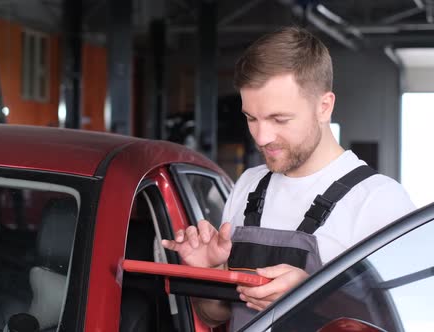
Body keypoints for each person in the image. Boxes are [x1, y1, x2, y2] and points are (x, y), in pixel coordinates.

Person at [161, 26, 415, 330]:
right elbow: (214, 315)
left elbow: (403, 320)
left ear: (324, 107)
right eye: (251, 118)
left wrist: (312, 293)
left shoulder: (379, 201)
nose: (262, 136)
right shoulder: (248, 185)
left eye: (279, 119)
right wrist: (209, 270)